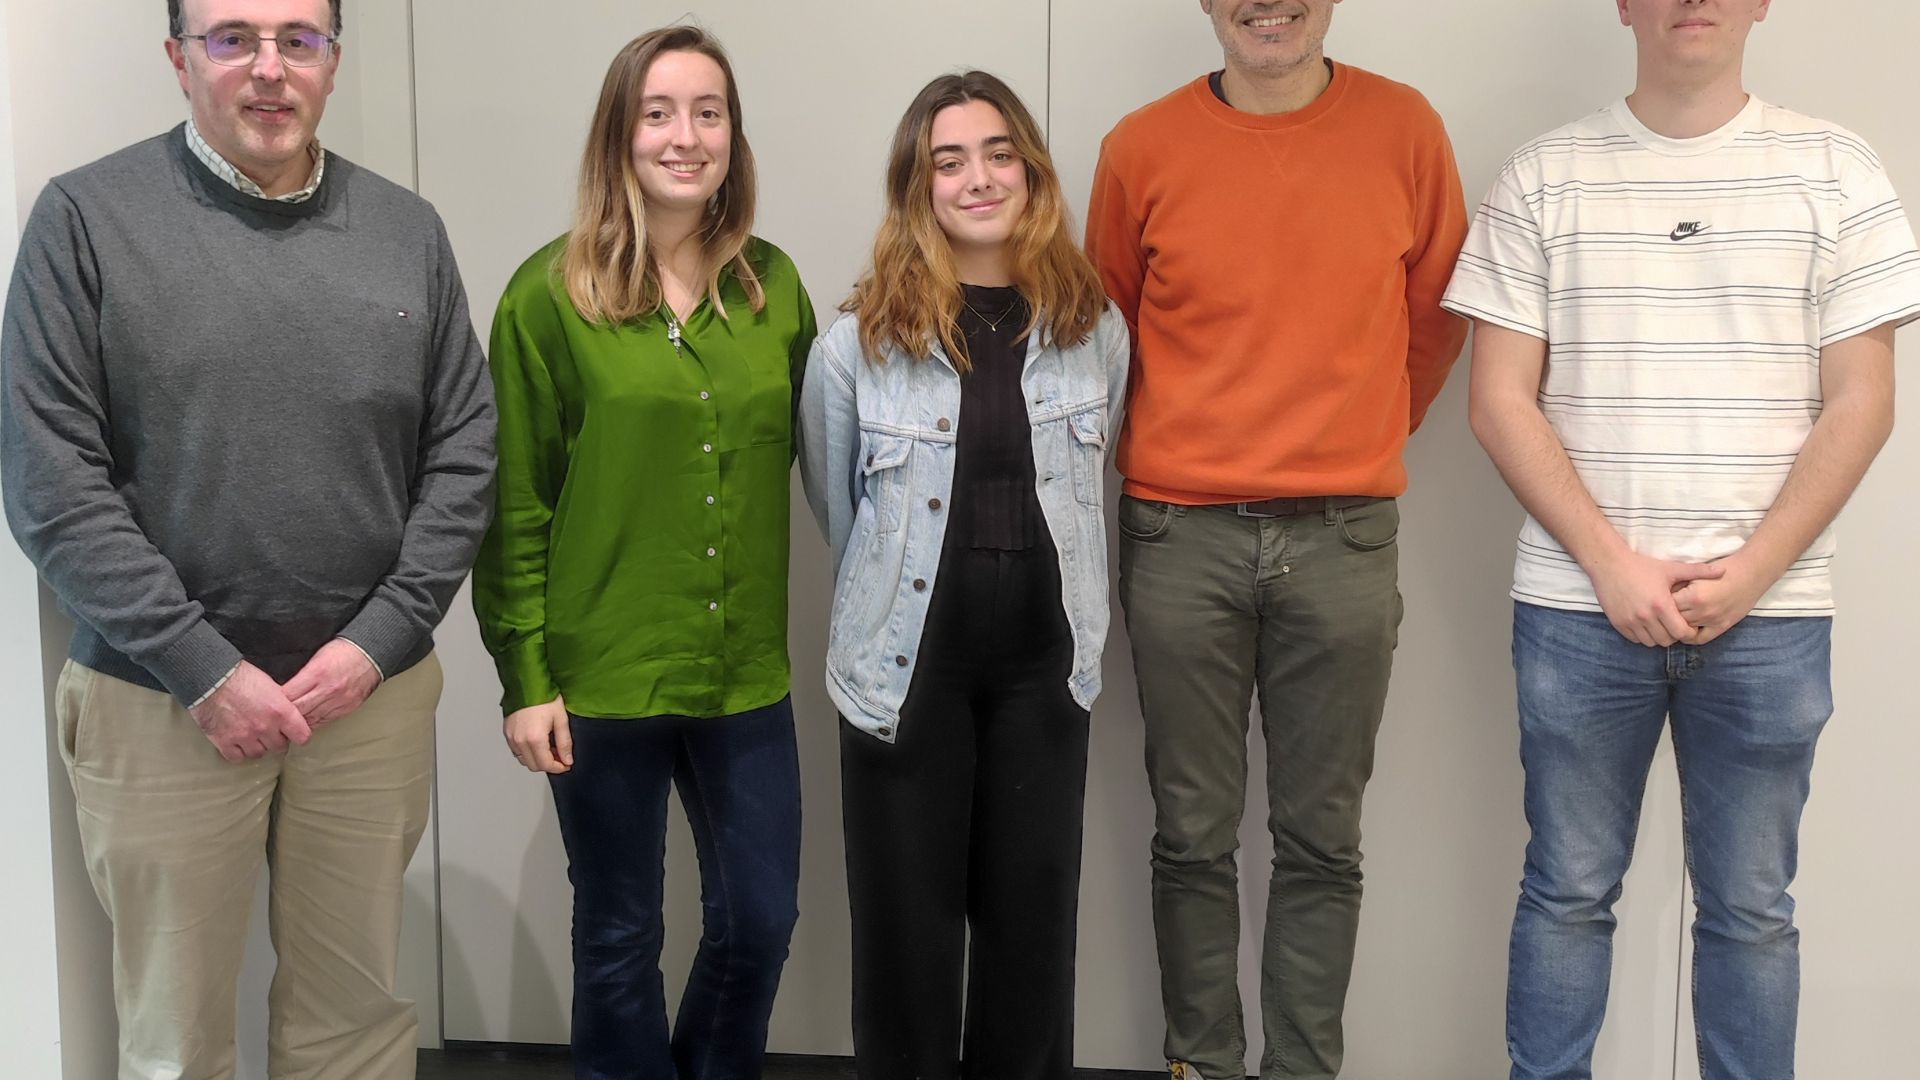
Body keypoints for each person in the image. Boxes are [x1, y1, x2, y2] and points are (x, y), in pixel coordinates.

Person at [0, 0, 497, 1077]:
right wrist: (203, 668)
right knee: (173, 1039)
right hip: (160, 703)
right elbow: (51, 482)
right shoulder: (85, 220)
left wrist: (377, 644)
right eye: (233, 38)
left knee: (352, 1024)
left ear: (332, 62)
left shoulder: (407, 231)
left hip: (365, 703)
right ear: (179, 59)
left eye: (298, 40)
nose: (270, 68)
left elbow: (464, 456)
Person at [1442, 2, 1920, 1077]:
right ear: (1623, 4)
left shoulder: (1838, 171)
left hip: (1770, 618)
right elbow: (1499, 400)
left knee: (1752, 910)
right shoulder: (1543, 176)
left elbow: (1864, 403)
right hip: (1578, 611)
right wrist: (1610, 565)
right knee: (1567, 892)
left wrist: (1752, 573)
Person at [1083, 2, 1468, 1077]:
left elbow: (1437, 313)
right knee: (1191, 835)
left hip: (1345, 541)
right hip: (1179, 538)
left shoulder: (1405, 130)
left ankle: (1302, 1069)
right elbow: (1104, 335)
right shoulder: (1140, 148)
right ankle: (1201, 1065)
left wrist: (1358, 432)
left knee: (1322, 842)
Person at [470, 24, 816, 1080]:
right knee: (618, 937)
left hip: (742, 671)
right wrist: (525, 677)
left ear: (734, 136)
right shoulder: (547, 296)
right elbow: (514, 502)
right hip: (603, 675)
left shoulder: (773, 288)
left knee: (758, 921)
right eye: (658, 113)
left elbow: (824, 449)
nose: (685, 136)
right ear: (619, 134)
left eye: (708, 113)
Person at [797, 71, 1128, 1080]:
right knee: (907, 939)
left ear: (1031, 172)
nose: (978, 178)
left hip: (1044, 674)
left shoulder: (1094, 329)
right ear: (919, 186)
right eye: (949, 161)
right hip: (904, 675)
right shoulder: (858, 344)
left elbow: (1091, 482)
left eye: (998, 154)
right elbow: (839, 508)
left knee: (1032, 938)